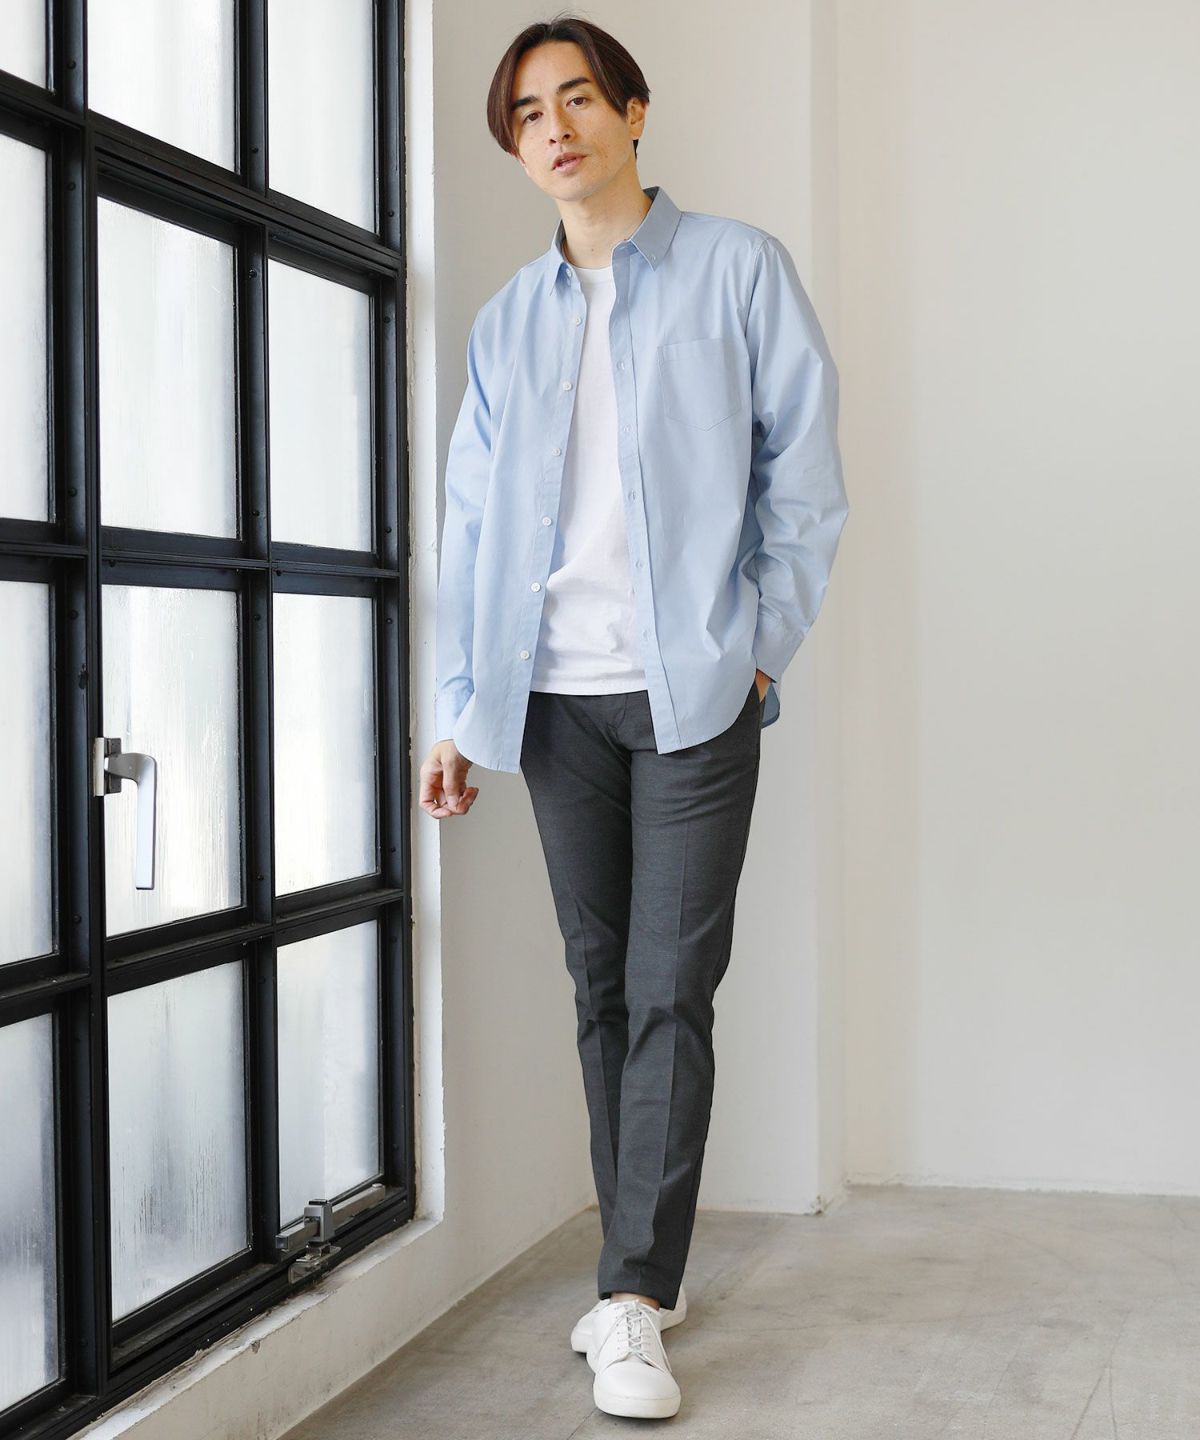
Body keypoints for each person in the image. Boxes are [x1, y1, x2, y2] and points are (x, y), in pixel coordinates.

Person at [419, 13, 848, 1421]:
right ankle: (636, 1281)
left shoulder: (738, 270)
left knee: (673, 985)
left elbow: (804, 481)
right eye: (527, 113)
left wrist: (759, 653)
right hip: (554, 704)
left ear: (634, 111)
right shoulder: (506, 322)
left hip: (693, 698)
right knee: (601, 986)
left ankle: (630, 1293)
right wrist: (459, 710)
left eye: (579, 99)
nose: (554, 129)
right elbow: (472, 529)